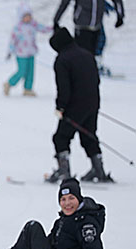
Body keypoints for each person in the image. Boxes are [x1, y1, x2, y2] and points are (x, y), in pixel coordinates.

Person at [46, 27, 113, 183]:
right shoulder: (87, 54)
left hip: (73, 106)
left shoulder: (63, 60)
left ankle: (64, 172)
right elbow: (96, 80)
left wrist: (60, 107)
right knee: (89, 135)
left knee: (61, 138)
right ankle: (98, 170)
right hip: (93, 103)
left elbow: (63, 88)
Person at [3, 2, 52, 97]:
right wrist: (10, 51)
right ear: (21, 16)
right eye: (25, 16)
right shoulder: (18, 28)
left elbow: (43, 28)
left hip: (31, 52)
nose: (28, 18)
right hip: (21, 53)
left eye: (29, 15)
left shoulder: (33, 24)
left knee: (30, 72)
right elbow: (12, 40)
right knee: (22, 71)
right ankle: (9, 83)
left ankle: (28, 89)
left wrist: (53, 28)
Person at [53, 0, 124, 55]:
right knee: (81, 55)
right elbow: (65, 2)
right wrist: (56, 20)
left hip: (96, 27)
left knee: (92, 55)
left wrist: (120, 16)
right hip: (82, 27)